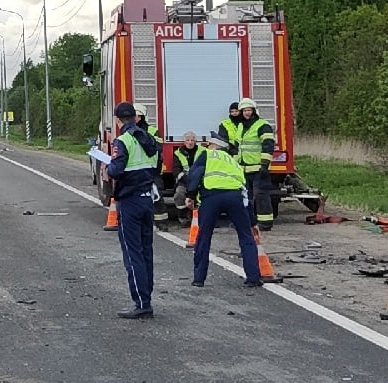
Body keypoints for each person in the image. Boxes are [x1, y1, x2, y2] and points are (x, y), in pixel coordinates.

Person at [182, 130, 264, 289]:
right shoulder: (234, 162)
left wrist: (190, 195)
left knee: (204, 237)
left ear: (214, 146)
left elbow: (195, 174)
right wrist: (252, 221)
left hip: (211, 197)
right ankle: (253, 278)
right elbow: (246, 191)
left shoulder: (207, 155)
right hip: (235, 197)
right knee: (245, 236)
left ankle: (199, 278)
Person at [106, 101, 163, 318]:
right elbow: (156, 167)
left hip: (129, 200)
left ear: (119, 120)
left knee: (133, 253)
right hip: (147, 198)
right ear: (136, 118)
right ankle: (146, 296)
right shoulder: (149, 139)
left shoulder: (124, 140)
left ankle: (141, 302)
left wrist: (108, 166)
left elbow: (116, 169)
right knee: (146, 251)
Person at [222, 98, 278, 226]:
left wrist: (264, 165)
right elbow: (238, 146)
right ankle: (248, 222)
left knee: (261, 195)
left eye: (249, 110)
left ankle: (265, 223)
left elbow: (268, 146)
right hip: (243, 169)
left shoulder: (262, 125)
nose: (247, 113)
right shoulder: (241, 126)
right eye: (244, 110)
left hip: (258, 168)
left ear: (253, 111)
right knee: (245, 197)